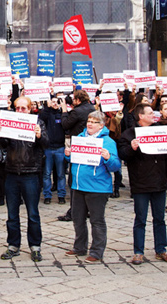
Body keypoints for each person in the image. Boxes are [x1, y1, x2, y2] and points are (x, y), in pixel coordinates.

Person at [118, 104, 167, 265]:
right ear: (141, 116)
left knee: (160, 218)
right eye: (150, 113)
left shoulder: (160, 130)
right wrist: (132, 148)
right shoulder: (129, 134)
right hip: (140, 182)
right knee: (140, 219)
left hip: (158, 181)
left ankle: (161, 249)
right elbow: (123, 154)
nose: (154, 115)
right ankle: (138, 251)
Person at [0, 96, 48, 262]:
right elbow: (3, 144)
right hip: (11, 172)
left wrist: (39, 136)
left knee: (33, 213)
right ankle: (13, 245)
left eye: (24, 108)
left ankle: (35, 246)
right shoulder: (9, 120)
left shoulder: (38, 123)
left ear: (30, 108)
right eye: (18, 108)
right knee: (12, 213)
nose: (20, 111)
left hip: (31, 172)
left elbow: (47, 144)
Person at [64, 111, 121, 263]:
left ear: (101, 125)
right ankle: (79, 247)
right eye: (89, 120)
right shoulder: (80, 138)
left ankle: (96, 251)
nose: (90, 124)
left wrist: (108, 157)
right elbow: (74, 160)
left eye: (94, 122)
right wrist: (68, 154)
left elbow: (115, 166)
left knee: (97, 221)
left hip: (97, 188)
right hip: (78, 185)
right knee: (78, 218)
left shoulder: (108, 142)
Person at [58, 90, 95, 222]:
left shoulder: (77, 111)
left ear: (78, 100)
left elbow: (65, 124)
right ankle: (88, 208)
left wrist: (64, 111)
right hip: (91, 147)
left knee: (74, 179)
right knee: (87, 178)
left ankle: (74, 211)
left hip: (78, 147)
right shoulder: (92, 108)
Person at [39, 97, 67, 204]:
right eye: (53, 102)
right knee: (46, 173)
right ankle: (47, 195)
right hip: (48, 148)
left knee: (61, 174)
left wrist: (64, 111)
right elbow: (41, 118)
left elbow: (67, 125)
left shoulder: (62, 115)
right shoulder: (46, 114)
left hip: (60, 147)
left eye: (57, 102)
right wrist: (47, 107)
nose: (55, 104)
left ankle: (61, 195)